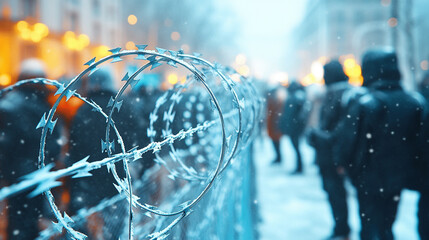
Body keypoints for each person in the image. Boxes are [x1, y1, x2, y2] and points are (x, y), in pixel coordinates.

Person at [337, 49, 425, 240]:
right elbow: (420, 144)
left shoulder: (365, 103)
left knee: (369, 226)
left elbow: (348, 142)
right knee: (388, 224)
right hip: (398, 176)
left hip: (368, 177)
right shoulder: (414, 102)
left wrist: (346, 165)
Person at [67, 68, 137, 239]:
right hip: (118, 176)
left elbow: (74, 148)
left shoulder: (83, 110)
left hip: (88, 177)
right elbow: (136, 139)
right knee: (116, 228)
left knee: (87, 229)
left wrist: (73, 180)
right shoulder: (125, 106)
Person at [0, 59, 62, 239]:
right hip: (37, 172)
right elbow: (52, 140)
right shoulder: (43, 105)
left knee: (19, 222)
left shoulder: (8, 105)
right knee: (30, 221)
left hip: (16, 175)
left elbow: (4, 145)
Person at [308, 60, 351, 240]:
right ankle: (341, 227)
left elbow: (337, 130)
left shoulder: (338, 94)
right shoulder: (342, 93)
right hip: (333, 155)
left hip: (332, 156)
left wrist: (317, 137)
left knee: (336, 194)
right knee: (335, 193)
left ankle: (341, 228)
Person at [278, 81, 310, 174]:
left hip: (294, 128)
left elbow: (290, 115)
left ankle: (299, 167)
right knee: (296, 148)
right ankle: (299, 166)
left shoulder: (295, 99)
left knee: (296, 148)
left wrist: (288, 126)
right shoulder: (298, 98)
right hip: (295, 127)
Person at [266, 87, 284, 164]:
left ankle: (279, 157)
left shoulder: (275, 102)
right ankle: (278, 157)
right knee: (275, 143)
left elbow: (276, 116)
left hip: (274, 127)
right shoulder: (274, 101)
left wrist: (277, 126)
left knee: (276, 143)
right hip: (273, 126)